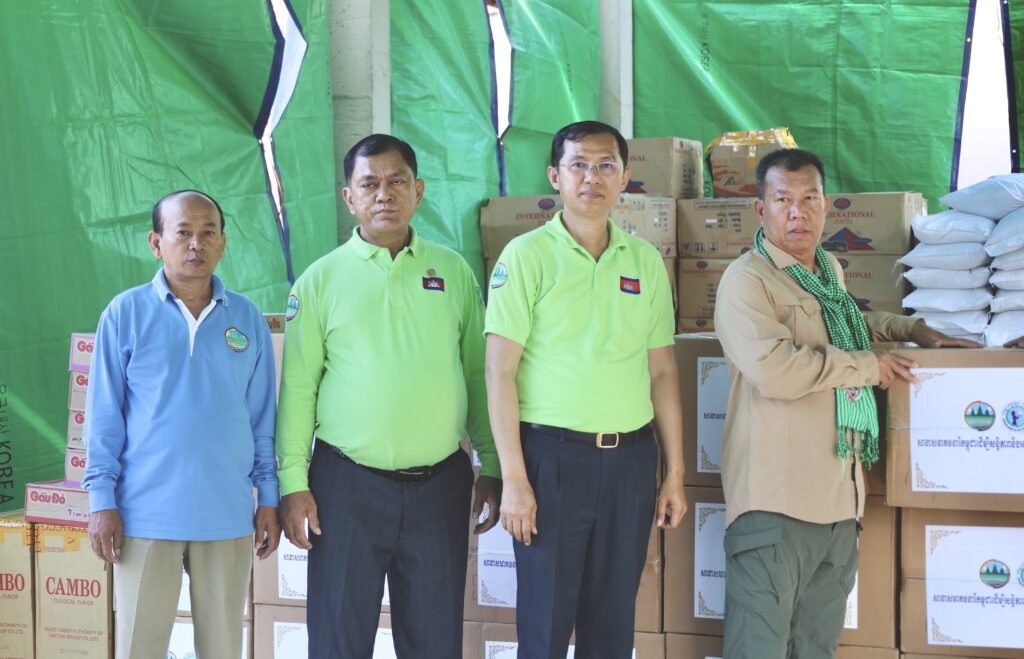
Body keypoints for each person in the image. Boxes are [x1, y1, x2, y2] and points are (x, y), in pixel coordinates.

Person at [714, 148, 980, 659]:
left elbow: (846, 323)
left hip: (839, 504)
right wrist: (867, 366)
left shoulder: (826, 271)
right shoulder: (747, 280)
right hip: (776, 506)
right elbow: (774, 370)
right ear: (761, 209)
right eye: (783, 200)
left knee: (816, 649)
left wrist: (911, 329)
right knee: (758, 650)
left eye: (809, 198)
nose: (798, 212)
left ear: (826, 204)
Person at [276, 134, 501, 658]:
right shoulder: (318, 281)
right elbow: (299, 389)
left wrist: (491, 464)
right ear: (348, 197)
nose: (384, 194)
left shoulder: (453, 272)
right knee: (337, 640)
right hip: (345, 486)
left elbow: (478, 374)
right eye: (369, 184)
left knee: (434, 643)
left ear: (418, 190)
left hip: (440, 485)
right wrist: (293, 483)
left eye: (397, 181)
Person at [484, 120, 687, 658]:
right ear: (555, 176)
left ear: (625, 177)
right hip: (551, 463)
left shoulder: (644, 261)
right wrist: (514, 478)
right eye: (578, 165)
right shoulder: (524, 256)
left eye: (605, 166)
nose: (591, 178)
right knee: (545, 627)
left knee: (612, 627)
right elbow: (499, 372)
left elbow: (663, 373)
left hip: (631, 464)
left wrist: (674, 473)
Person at [83, 189, 280, 659]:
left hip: (227, 514)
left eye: (208, 233)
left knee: (223, 647)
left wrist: (269, 499)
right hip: (144, 516)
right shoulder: (124, 314)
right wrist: (101, 501)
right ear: (156, 243)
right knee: (139, 647)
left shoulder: (247, 318)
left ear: (223, 243)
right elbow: (104, 418)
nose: (197, 244)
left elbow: (262, 420)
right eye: (183, 232)